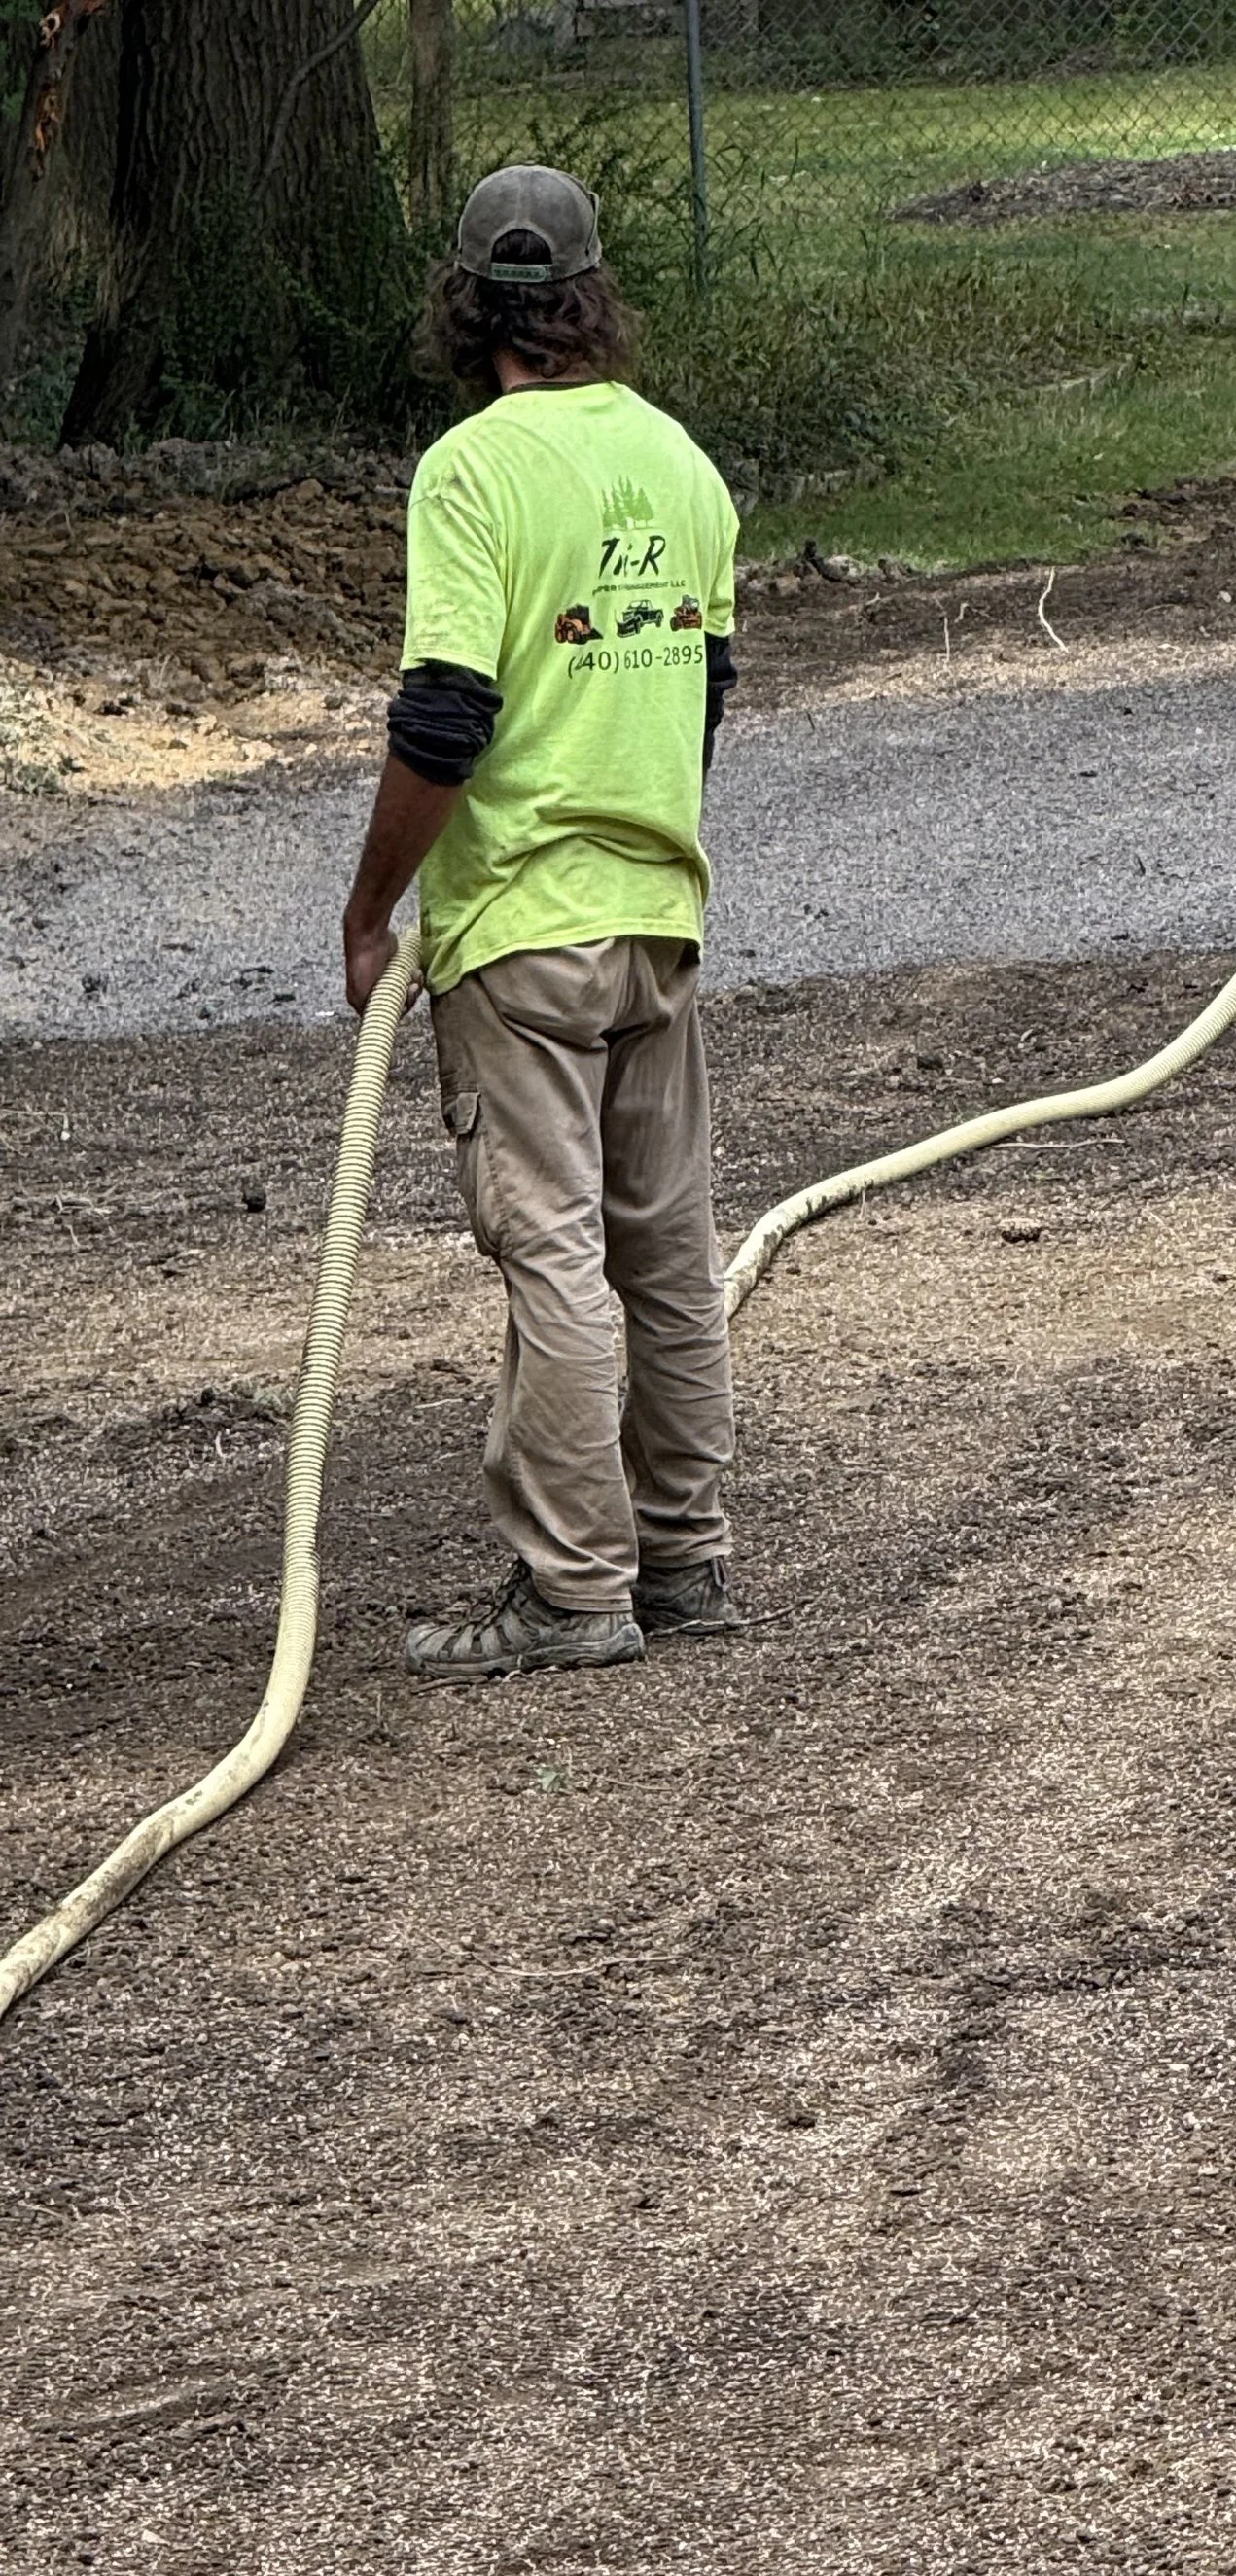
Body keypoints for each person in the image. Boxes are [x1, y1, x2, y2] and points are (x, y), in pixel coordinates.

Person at [340, 164, 744, 1682]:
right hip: (657, 909)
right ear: (590, 296)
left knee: (555, 1255)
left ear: (467, 306)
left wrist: (372, 907)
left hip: (521, 925)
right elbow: (706, 689)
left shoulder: (472, 473)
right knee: (669, 1251)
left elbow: (446, 712)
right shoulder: (684, 465)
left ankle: (576, 1590)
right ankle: (688, 1559)